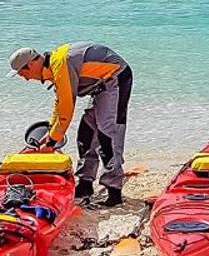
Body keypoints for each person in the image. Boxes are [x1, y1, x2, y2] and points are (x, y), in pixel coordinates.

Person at [9, 43, 132, 206]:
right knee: (86, 133)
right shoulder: (54, 67)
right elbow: (59, 104)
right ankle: (85, 185)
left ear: (31, 64)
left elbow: (67, 110)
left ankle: (114, 192)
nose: (25, 78)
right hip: (98, 86)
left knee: (107, 134)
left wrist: (52, 141)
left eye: (23, 73)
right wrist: (50, 132)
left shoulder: (60, 64)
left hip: (115, 78)